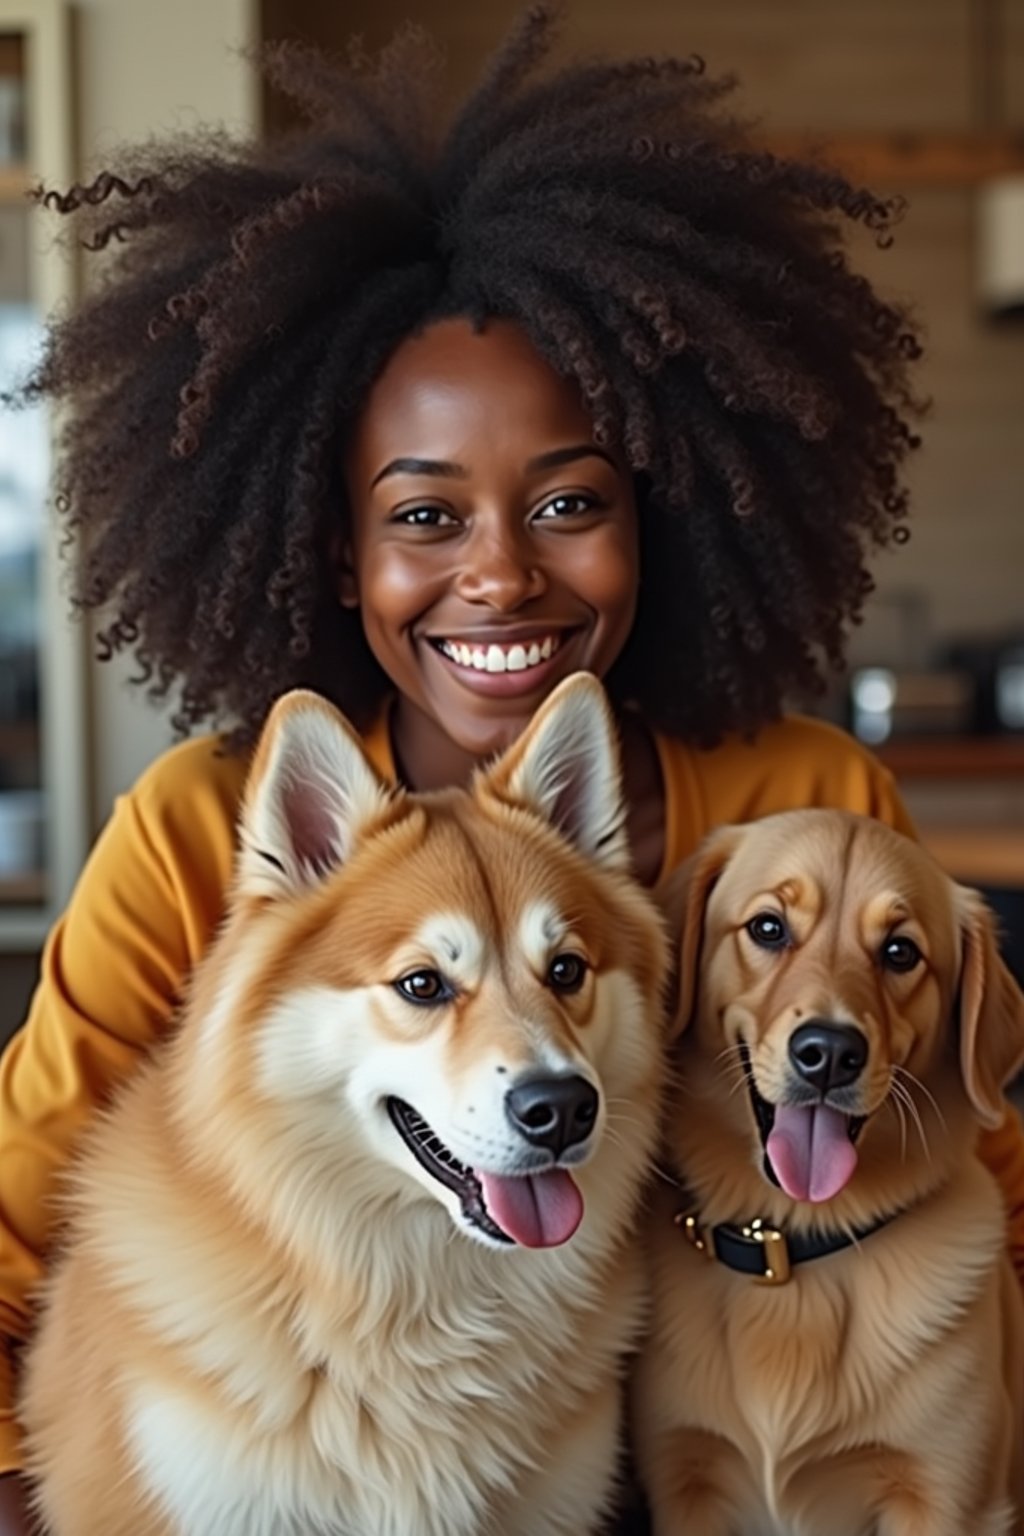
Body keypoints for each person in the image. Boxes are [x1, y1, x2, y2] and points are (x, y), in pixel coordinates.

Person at [2, 10, 1023, 1533]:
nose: (500, 580)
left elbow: (960, 1151)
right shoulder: (204, 828)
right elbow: (25, 1227)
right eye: (423, 518)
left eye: (568, 504)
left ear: (657, 519)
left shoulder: (798, 801)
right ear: (331, 556)